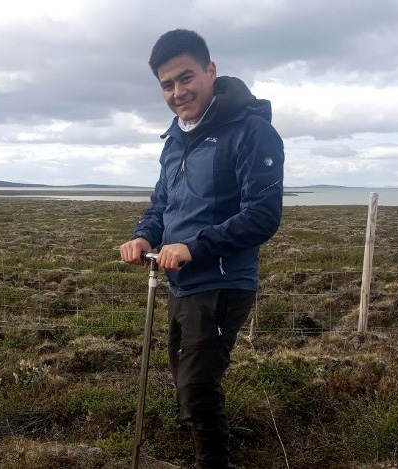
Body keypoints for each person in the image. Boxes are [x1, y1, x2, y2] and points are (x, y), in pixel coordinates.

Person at [119, 29, 284, 469]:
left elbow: (263, 215)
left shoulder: (251, 132)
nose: (177, 92)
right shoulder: (174, 140)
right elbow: (163, 204)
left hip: (223, 282)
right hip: (179, 281)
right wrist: (144, 236)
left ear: (211, 71)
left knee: (195, 385)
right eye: (167, 85)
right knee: (187, 380)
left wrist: (193, 248)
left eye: (186, 78)